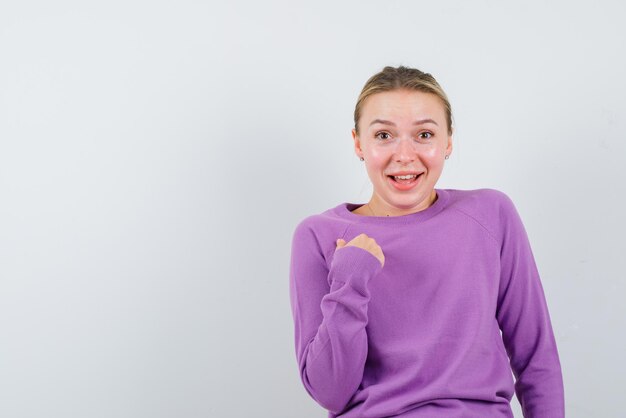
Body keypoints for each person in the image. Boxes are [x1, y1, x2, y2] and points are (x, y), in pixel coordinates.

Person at [288, 65, 565, 418]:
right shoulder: (318, 236)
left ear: (448, 141)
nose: (405, 155)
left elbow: (536, 359)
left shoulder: (491, 214)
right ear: (359, 143)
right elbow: (329, 391)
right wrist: (350, 281)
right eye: (384, 135)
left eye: (424, 135)